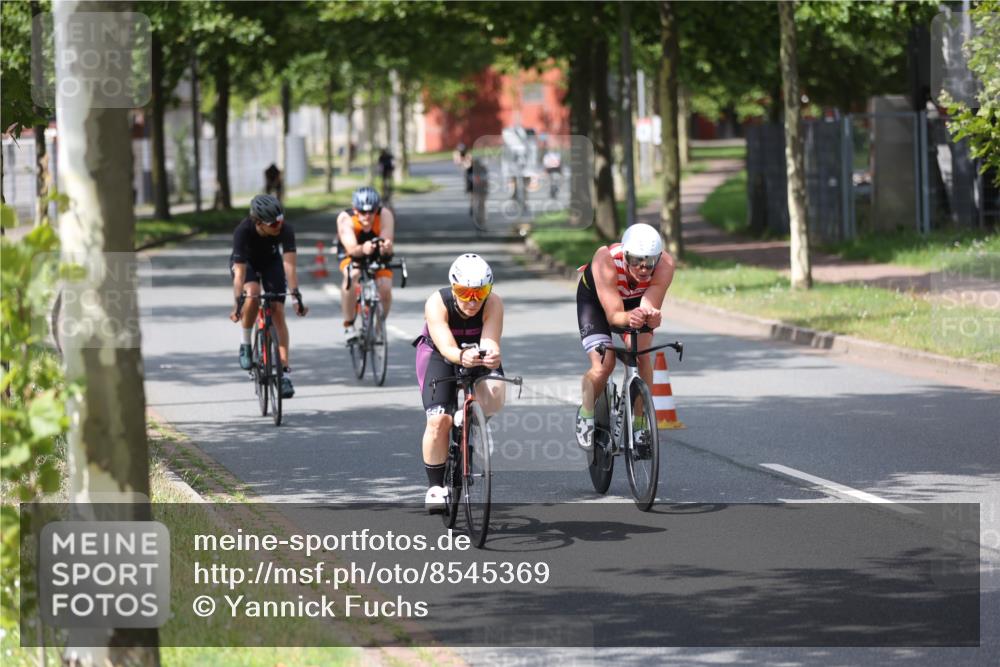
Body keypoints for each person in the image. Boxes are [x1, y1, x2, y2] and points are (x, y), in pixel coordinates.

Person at [414, 254, 505, 514]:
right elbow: (445, 345)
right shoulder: (437, 302)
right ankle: (434, 487)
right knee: (437, 421)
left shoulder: (493, 303)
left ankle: (475, 420)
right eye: (465, 292)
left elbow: (490, 339)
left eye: (480, 292)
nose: (473, 300)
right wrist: (461, 356)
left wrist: (491, 354)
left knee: (497, 390)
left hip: (475, 351)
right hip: (439, 355)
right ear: (454, 289)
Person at [574, 223, 675, 450]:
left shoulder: (665, 264)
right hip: (598, 303)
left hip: (634, 301)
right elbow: (614, 316)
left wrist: (650, 316)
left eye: (649, 261)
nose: (643, 268)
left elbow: (649, 304)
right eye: (636, 260)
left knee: (640, 354)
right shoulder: (606, 260)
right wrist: (630, 318)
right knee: (604, 364)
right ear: (625, 255)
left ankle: (640, 423)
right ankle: (586, 412)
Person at [229, 194, 308, 399]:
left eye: (280, 219)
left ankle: (283, 372)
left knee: (277, 310)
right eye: (273, 223)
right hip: (247, 265)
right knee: (253, 294)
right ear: (258, 222)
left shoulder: (285, 229)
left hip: (271, 262)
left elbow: (289, 266)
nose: (278, 225)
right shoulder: (242, 231)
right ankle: (246, 343)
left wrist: (296, 297)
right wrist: (238, 303)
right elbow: (239, 274)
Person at [336, 186, 395, 342]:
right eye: (362, 212)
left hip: (376, 254)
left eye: (371, 212)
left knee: (385, 288)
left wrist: (385, 248)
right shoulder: (345, 218)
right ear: (355, 210)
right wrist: (363, 248)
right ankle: (349, 325)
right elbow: (351, 248)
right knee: (352, 276)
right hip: (352, 253)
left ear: (377, 209)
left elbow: (386, 243)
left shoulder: (385, 214)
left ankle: (378, 327)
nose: (367, 216)